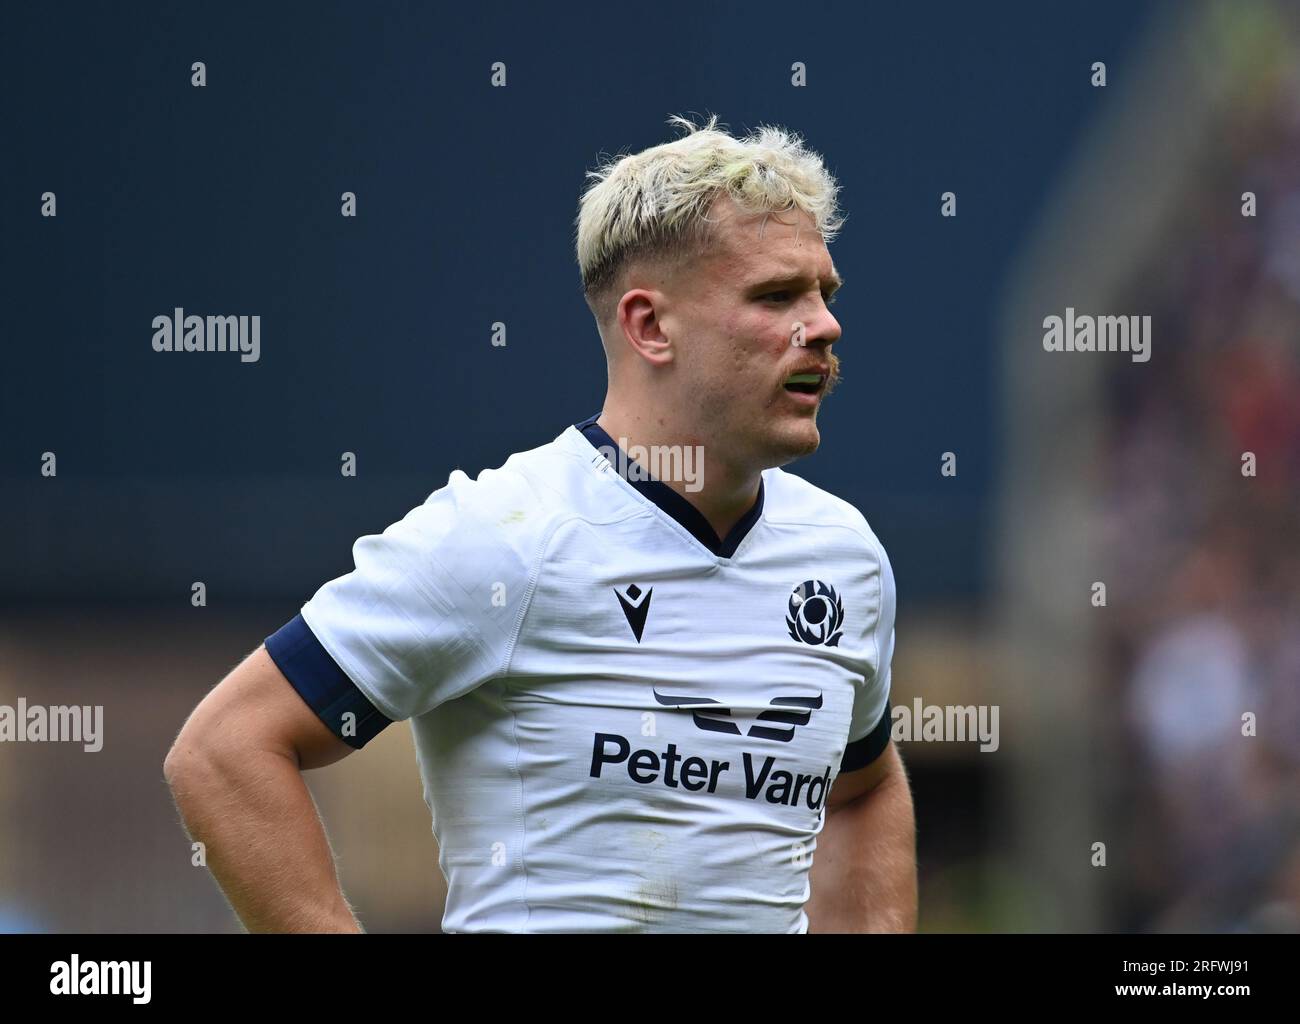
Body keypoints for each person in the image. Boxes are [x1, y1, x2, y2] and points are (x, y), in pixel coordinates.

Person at [164, 113, 917, 933]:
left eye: (824, 294)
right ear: (650, 326)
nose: (825, 326)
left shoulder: (843, 555)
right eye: (777, 296)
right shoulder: (507, 536)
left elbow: (863, 786)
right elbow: (226, 749)